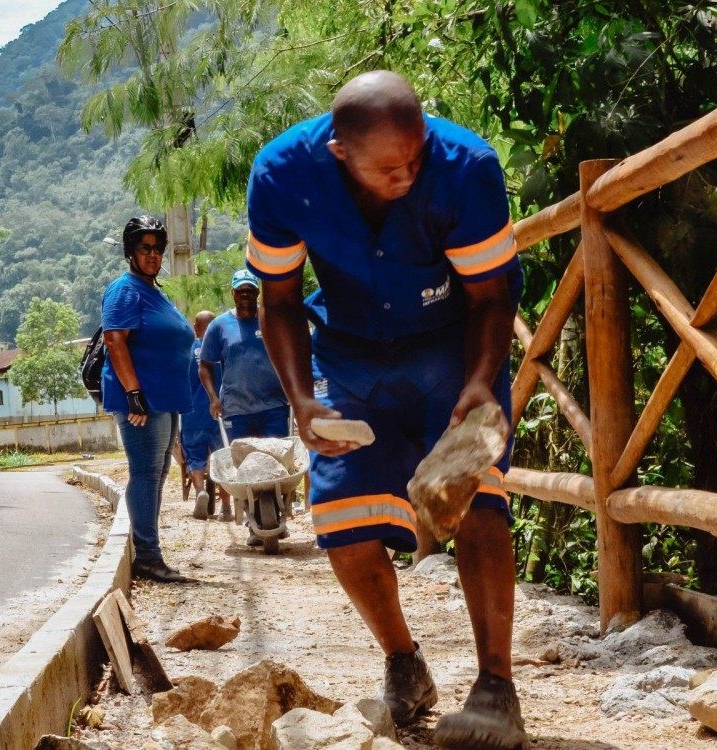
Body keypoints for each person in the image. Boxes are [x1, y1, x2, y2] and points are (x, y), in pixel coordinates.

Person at [246, 71, 527, 749]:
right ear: (340, 152)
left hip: (452, 350)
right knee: (341, 521)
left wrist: (482, 382)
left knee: (479, 497)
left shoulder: (467, 170)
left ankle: (497, 686)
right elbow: (279, 303)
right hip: (346, 355)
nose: (406, 173)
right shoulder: (282, 176)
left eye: (415, 156)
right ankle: (405, 664)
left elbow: (492, 298)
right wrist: (303, 401)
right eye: (387, 167)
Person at [100, 215, 196, 584]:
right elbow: (115, 340)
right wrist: (134, 394)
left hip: (163, 400)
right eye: (145, 248)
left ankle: (150, 553)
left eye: (158, 248)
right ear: (130, 252)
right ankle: (148, 557)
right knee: (145, 473)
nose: (153, 254)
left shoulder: (153, 290)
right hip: (143, 401)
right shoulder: (125, 290)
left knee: (157, 474)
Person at [199, 269, 290, 441]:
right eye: (241, 291)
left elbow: (289, 356)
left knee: (277, 463)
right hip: (236, 411)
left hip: (273, 407)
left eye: (250, 290)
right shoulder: (218, 325)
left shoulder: (271, 319)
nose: (245, 295)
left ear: (257, 292)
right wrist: (213, 398)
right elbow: (205, 366)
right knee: (242, 465)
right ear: (233, 293)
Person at [181, 310, 232, 521]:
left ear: (195, 327)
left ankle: (200, 491)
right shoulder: (223, 350)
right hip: (220, 413)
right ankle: (226, 507)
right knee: (224, 459)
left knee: (195, 458)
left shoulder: (186, 352)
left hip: (192, 415)